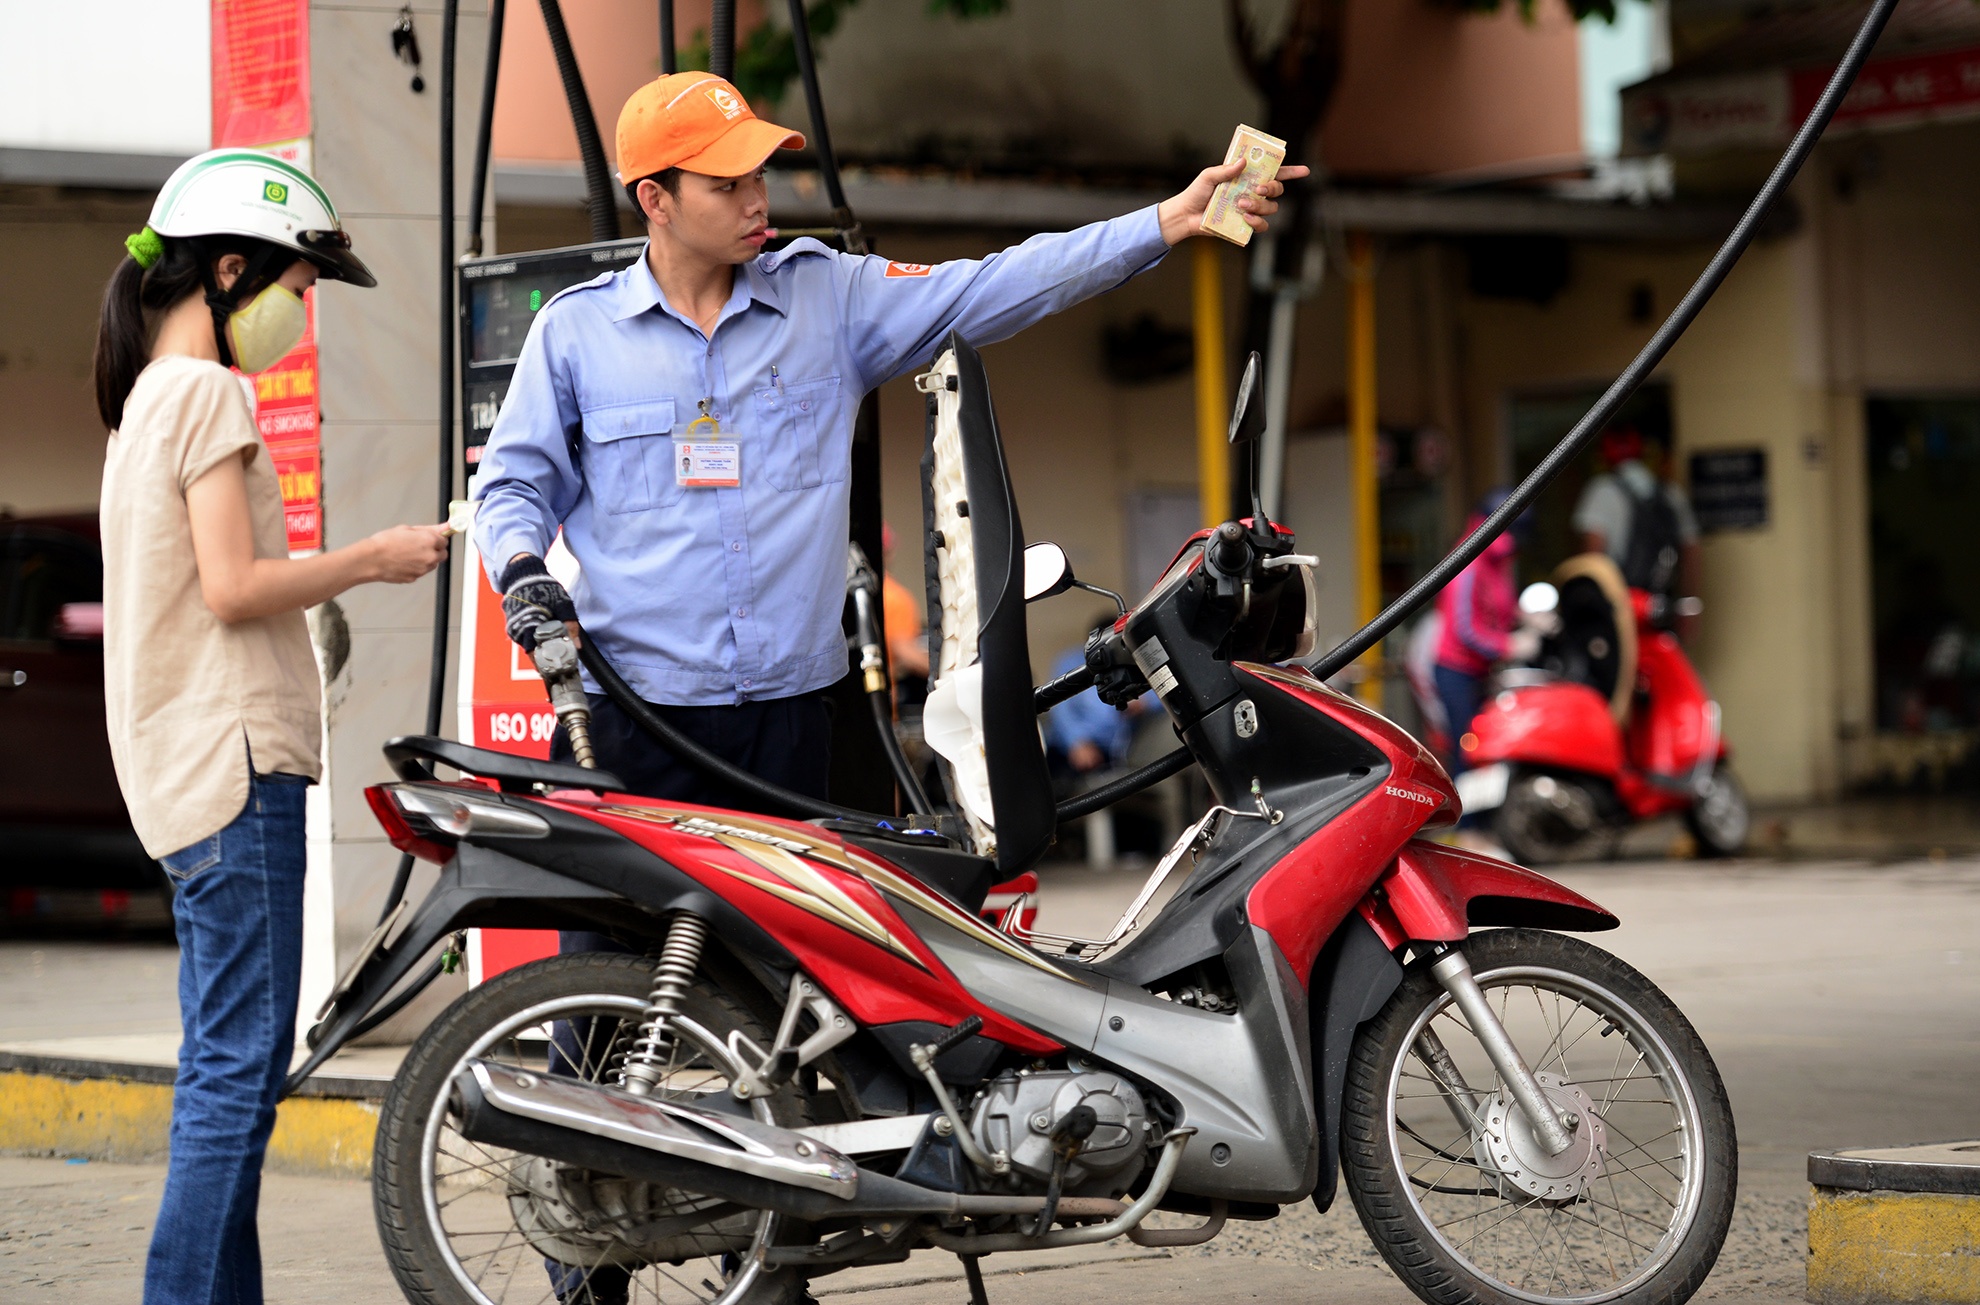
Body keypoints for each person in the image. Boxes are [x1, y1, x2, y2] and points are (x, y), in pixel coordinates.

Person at [473, 71, 1303, 813]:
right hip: (632, 722)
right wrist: (521, 573)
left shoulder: (828, 297)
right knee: (612, 977)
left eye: (759, 174)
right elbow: (510, 487)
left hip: (793, 727)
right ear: (655, 199)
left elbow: (995, 284)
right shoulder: (575, 333)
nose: (757, 199)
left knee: (785, 982)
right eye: (727, 184)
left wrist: (1163, 222)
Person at [92, 150, 448, 1305]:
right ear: (232, 268)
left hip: (188, 768)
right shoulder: (205, 392)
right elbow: (235, 586)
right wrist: (375, 560)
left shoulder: (147, 398)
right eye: (299, 286)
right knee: (238, 1078)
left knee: (225, 1070)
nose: (301, 314)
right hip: (234, 768)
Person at [1433, 490, 1539, 774]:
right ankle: (1467, 818)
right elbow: (1465, 629)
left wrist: (1529, 617)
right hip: (1456, 670)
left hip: (1482, 670)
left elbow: (1498, 604)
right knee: (1466, 747)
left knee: (1488, 746)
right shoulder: (1468, 561)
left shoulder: (1497, 561)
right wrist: (1510, 646)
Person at [1573, 425, 1701, 632]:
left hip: (1621, 606)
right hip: (1663, 607)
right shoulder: (1671, 494)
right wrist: (1688, 605)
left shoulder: (1601, 492)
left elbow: (1592, 554)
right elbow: (1691, 551)